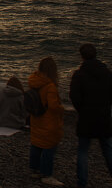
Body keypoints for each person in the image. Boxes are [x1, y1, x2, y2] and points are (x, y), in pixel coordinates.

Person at [70, 43, 112, 188]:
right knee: (107, 148)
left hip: (86, 118)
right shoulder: (107, 73)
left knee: (83, 151)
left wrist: (82, 110)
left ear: (81, 56)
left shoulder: (79, 75)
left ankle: (82, 183)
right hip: (104, 117)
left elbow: (74, 97)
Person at [28, 56, 65, 186]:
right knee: (49, 147)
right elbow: (53, 106)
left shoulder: (34, 81)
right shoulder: (50, 86)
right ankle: (46, 174)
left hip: (36, 117)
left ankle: (34, 169)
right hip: (48, 121)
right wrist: (62, 108)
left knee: (37, 143)